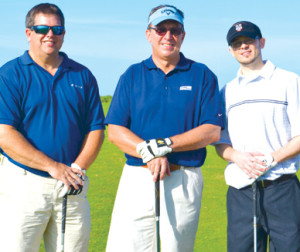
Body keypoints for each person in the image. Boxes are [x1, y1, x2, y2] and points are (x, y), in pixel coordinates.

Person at [105, 4, 223, 252]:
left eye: (175, 30)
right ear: (149, 34)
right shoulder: (132, 75)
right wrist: (148, 152)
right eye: (160, 29)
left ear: (183, 35)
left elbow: (211, 130)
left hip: (183, 177)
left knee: (176, 248)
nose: (168, 36)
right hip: (138, 176)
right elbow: (115, 130)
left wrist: (164, 145)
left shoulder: (202, 75)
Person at [0, 3, 105, 252]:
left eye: (57, 29)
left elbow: (96, 129)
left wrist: (77, 169)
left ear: (64, 33)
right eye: (42, 28)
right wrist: (53, 168)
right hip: (24, 184)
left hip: (72, 184)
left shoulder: (82, 75)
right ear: (29, 33)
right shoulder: (10, 74)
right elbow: (5, 134)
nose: (50, 34)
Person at [215, 21, 300, 251]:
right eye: (237, 44)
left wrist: (272, 159)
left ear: (261, 42)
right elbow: (221, 142)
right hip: (240, 193)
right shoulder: (226, 91)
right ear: (230, 51)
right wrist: (237, 157)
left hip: (282, 189)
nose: (243, 46)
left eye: (249, 41)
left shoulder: (289, 81)